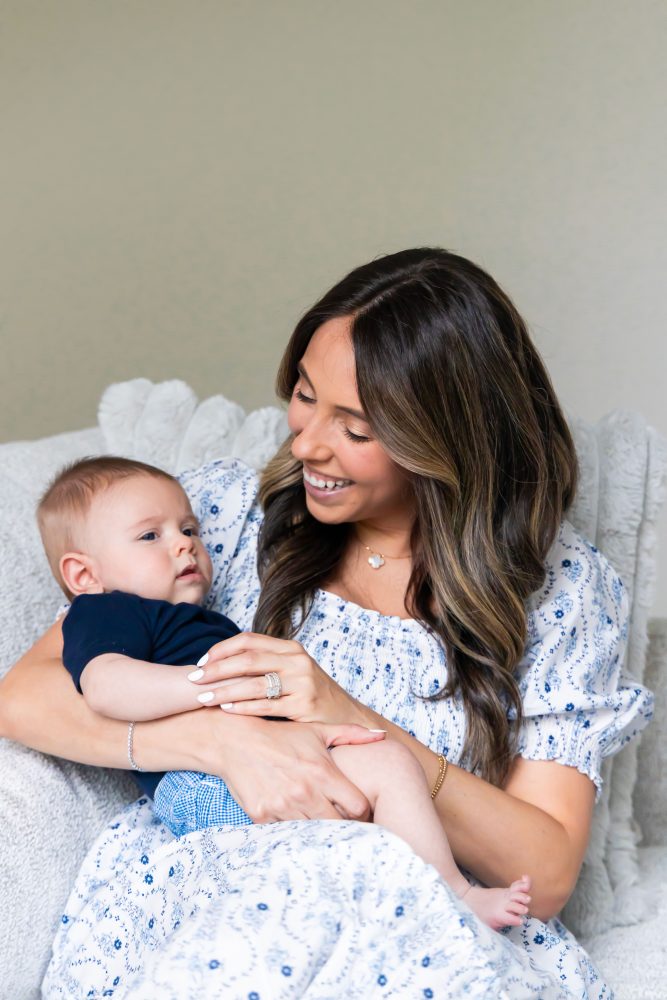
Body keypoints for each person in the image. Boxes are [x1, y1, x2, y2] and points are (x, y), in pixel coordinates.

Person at [0, 248, 652, 998]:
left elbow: (546, 873)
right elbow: (26, 696)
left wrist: (347, 713)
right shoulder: (214, 522)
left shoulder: (558, 591)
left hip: (409, 911)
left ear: (445, 437)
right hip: (228, 890)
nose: (307, 443)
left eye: (356, 427)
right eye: (305, 395)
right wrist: (218, 739)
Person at [37, 454, 531, 930]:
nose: (185, 545)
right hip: (200, 783)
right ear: (85, 575)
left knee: (390, 768)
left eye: (190, 530)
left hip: (266, 766)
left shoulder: (202, 620)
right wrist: (207, 685)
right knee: (367, 800)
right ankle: (439, 897)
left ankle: (443, 894)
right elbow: (104, 686)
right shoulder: (107, 611)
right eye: (150, 535)